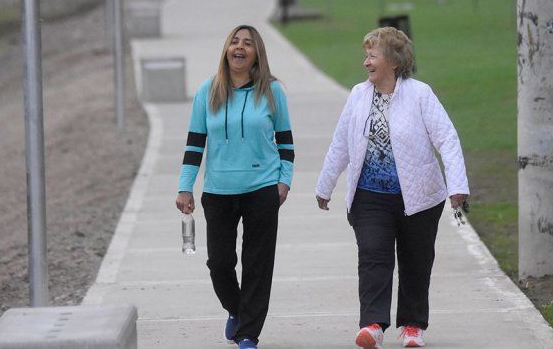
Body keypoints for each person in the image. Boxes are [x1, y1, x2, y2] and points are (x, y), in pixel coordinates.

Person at [315, 27, 469, 348]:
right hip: (369, 196)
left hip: (419, 198)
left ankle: (413, 327)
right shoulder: (358, 95)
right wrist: (325, 186)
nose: (366, 61)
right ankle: (372, 324)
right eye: (366, 55)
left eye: (373, 55)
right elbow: (341, 143)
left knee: (415, 261)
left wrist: (457, 185)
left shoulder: (420, 94)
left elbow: (447, 140)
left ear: (394, 61)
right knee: (373, 256)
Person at [175, 25, 294, 349]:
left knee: (258, 264)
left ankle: (248, 334)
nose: (239, 48)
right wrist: (185, 187)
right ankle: (236, 310)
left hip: (262, 189)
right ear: (226, 49)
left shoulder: (272, 91)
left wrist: (284, 181)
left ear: (257, 54)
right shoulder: (208, 91)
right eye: (235, 42)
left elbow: (285, 142)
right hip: (218, 190)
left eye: (248, 44)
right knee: (220, 263)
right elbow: (195, 144)